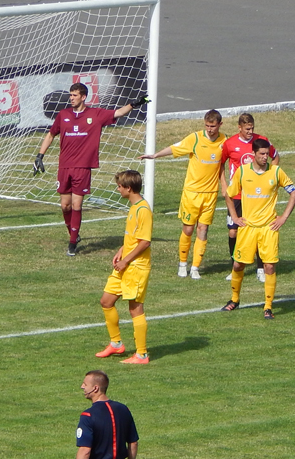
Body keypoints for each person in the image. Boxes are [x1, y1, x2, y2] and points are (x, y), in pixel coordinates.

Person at [33, 83, 145, 256]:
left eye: (75, 95)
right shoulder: (63, 115)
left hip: (83, 168)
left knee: (77, 205)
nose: (71, 98)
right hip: (65, 166)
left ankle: (72, 243)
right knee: (65, 206)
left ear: (83, 97)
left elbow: (118, 113)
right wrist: (40, 156)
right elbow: (51, 134)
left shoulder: (96, 114)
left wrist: (134, 104)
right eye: (70, 95)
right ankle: (73, 233)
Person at [139, 109, 226, 279]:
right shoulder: (195, 138)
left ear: (220, 125)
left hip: (210, 193)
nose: (209, 129)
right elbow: (175, 147)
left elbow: (228, 159)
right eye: (207, 126)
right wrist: (156, 155)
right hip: (191, 193)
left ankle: (195, 267)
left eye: (213, 126)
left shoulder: (224, 141)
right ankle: (182, 264)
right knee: (188, 229)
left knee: (203, 229)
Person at [222, 138, 295, 319]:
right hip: (248, 227)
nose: (265, 157)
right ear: (253, 154)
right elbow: (228, 195)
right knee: (238, 264)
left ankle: (268, 307)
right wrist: (235, 217)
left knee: (269, 266)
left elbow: (294, 193)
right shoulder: (242, 172)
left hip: (268, 228)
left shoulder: (276, 172)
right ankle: (234, 299)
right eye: (262, 154)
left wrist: (283, 217)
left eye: (267, 154)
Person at [95, 170, 152, 364]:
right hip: (125, 264)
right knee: (106, 301)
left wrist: (126, 260)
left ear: (129, 188)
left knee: (135, 309)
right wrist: (122, 249)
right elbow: (134, 237)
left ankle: (141, 355)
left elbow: (145, 242)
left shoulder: (143, 210)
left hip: (136, 267)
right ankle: (116, 344)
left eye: (119, 186)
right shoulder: (134, 207)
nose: (118, 189)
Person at [220, 113, 279, 283]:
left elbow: (275, 156)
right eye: (247, 129)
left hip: (256, 196)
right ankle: (235, 266)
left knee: (259, 229)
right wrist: (224, 185)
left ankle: (261, 268)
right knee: (233, 231)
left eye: (252, 128)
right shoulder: (230, 144)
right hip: (237, 194)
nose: (250, 132)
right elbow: (220, 164)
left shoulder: (261, 141)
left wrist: (269, 175)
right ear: (239, 127)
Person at [76, 370, 139, 459]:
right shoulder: (124, 409)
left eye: (85, 384)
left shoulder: (88, 415)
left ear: (95, 388)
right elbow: (133, 443)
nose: (82, 386)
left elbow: (85, 451)